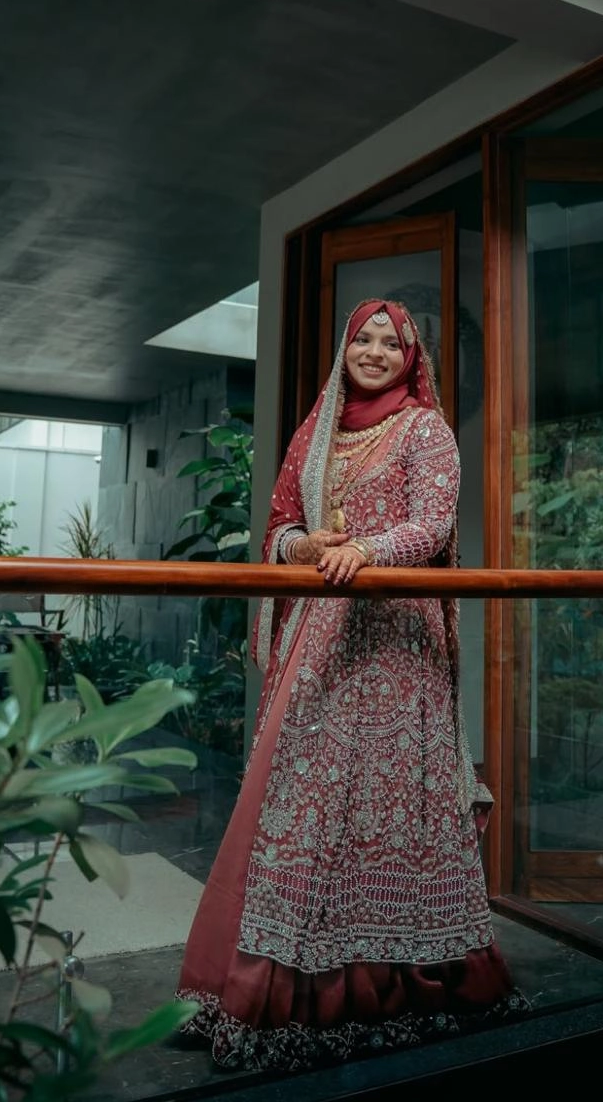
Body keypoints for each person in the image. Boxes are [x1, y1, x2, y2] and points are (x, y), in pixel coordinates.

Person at [175, 298, 526, 1071]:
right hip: (323, 638)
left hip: (397, 647)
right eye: (360, 339)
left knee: (391, 802)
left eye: (388, 342)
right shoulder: (320, 428)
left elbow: (433, 525)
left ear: (411, 358)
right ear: (344, 350)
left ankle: (413, 977)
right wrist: (305, 548)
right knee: (300, 801)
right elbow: (276, 528)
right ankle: (272, 984)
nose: (373, 351)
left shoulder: (424, 431)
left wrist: (365, 549)